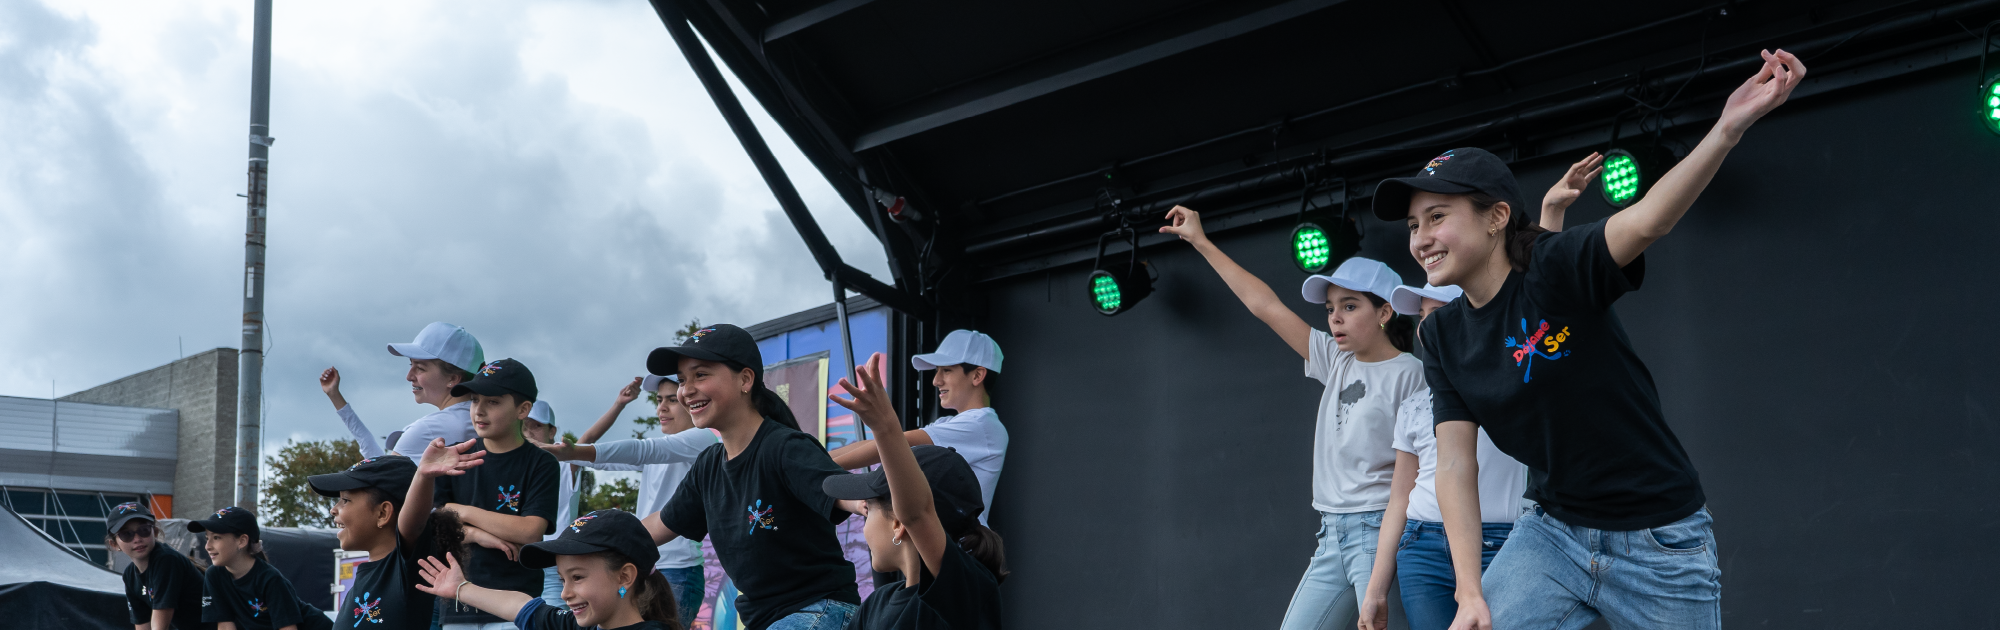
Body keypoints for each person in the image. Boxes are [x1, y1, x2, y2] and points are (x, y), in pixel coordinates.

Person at [1374, 50, 1805, 630]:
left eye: (1437, 216)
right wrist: (1470, 592)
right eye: (1413, 225)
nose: (1421, 238)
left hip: (1659, 538)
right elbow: (1453, 465)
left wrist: (1726, 129)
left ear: (1496, 217)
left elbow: (1649, 220)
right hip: (1552, 535)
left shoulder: (1553, 268)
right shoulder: (1443, 336)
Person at [1358, 155, 1595, 630]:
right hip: (1423, 543)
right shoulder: (1417, 402)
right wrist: (1375, 587)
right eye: (1422, 313)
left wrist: (1548, 220)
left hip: (1507, 536)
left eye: (1439, 311)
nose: (1430, 323)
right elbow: (1402, 496)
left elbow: (1529, 301)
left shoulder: (1499, 367)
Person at [1161, 203, 1423, 630]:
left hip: (1379, 534)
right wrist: (1201, 242)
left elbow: (1414, 476)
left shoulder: (1410, 375)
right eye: (1330, 308)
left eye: (1350, 306)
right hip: (1331, 536)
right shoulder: (1336, 360)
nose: (1335, 317)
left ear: (1384, 312)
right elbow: (1264, 305)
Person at [635, 324, 860, 630]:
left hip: (823, 608)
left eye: (700, 375)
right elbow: (658, 524)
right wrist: (586, 544)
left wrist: (869, 501)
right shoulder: (709, 466)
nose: (686, 390)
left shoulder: (784, 447)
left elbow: (845, 492)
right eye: (682, 380)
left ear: (745, 379)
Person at [821, 352, 1004, 630]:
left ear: (898, 523)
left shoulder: (967, 591)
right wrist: (815, 464)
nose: (936, 379)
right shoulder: (877, 603)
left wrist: (885, 427)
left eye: (868, 510)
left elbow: (917, 512)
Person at [534, 375, 718, 627]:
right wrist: (573, 454)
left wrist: (574, 452)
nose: (661, 408)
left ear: (690, 401)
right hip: (647, 567)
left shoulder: (704, 438)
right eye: (658, 399)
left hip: (679, 571)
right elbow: (613, 459)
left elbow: (644, 449)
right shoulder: (663, 448)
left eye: (671, 400)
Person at [400, 358, 562, 630]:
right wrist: (478, 534)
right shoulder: (455, 455)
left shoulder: (541, 463)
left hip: (513, 605)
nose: (479, 411)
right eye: (475, 400)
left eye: (493, 402)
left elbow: (530, 531)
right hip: (456, 604)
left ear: (523, 409)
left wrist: (462, 511)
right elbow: (434, 524)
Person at [829, 330, 1008, 526]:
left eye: (946, 370)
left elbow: (894, 442)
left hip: (959, 548)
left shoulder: (982, 425)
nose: (936, 380)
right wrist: (820, 458)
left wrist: (820, 466)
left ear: (977, 375)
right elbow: (881, 442)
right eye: (937, 370)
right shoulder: (951, 423)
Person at [414, 509, 681, 630]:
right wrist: (462, 588)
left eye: (577, 577)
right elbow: (522, 606)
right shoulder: (578, 624)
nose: (565, 593)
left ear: (625, 576)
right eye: (563, 579)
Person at [308, 455, 442, 630]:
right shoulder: (367, 575)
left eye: (345, 500)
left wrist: (424, 476)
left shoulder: (404, 570)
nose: (333, 509)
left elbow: (412, 525)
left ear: (383, 513)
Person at [321, 322, 485, 458]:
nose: (409, 376)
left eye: (420, 368)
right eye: (410, 365)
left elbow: (380, 481)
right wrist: (336, 397)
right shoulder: (488, 422)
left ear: (453, 378)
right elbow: (381, 469)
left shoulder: (427, 431)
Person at [189, 506, 334, 630]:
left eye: (216, 538)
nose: (208, 546)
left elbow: (288, 628)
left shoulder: (270, 579)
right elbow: (225, 625)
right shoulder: (214, 575)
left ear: (242, 541)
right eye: (207, 538)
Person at [108, 501, 211, 630]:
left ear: (155, 532)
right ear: (114, 544)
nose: (137, 539)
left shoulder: (167, 560)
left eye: (144, 530)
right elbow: (142, 624)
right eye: (126, 534)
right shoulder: (130, 575)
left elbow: (160, 626)